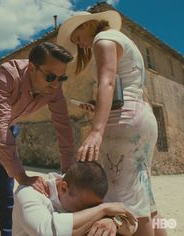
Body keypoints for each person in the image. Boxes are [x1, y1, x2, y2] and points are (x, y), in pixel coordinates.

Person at [57, 10, 167, 236]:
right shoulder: (124, 41)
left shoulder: (103, 39)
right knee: (143, 195)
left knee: (129, 205)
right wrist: (96, 106)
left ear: (87, 25)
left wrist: (96, 130)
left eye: (78, 37)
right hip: (141, 117)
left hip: (124, 122)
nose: (81, 44)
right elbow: (124, 88)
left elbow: (107, 81)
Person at [0, 42, 76, 236]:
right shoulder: (8, 73)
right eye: (50, 77)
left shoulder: (55, 90)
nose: (55, 84)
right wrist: (22, 175)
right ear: (31, 68)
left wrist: (68, 172)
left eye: (61, 78)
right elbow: (0, 126)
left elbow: (63, 127)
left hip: (8, 127)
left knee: (6, 193)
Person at [12, 161, 138, 236]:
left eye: (92, 208)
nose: (89, 211)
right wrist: (103, 210)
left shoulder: (88, 194)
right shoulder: (29, 194)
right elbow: (47, 232)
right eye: (83, 207)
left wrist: (113, 222)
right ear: (63, 188)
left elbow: (132, 225)